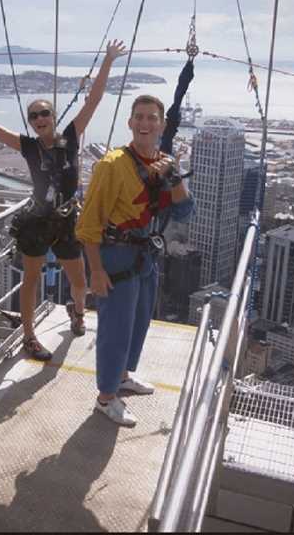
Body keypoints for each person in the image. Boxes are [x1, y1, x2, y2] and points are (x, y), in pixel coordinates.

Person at [0, 40, 127, 361]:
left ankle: (77, 312)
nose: (40, 118)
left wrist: (108, 60)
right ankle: (28, 337)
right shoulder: (28, 146)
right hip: (37, 221)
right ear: (31, 121)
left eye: (44, 113)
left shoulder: (71, 138)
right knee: (31, 280)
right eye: (34, 115)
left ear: (52, 116)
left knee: (79, 281)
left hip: (66, 220)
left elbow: (93, 100)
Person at [76, 94, 194, 427]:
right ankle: (106, 397)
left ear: (162, 124)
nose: (145, 124)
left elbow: (185, 211)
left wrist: (173, 174)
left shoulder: (164, 163)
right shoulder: (113, 165)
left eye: (152, 118)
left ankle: (123, 376)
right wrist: (95, 271)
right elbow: (89, 224)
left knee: (138, 322)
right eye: (139, 117)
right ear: (130, 123)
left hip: (146, 257)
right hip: (116, 256)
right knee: (115, 328)